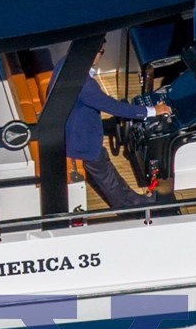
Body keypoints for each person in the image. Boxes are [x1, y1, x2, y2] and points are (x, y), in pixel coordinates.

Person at [61, 44, 171, 209]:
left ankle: (132, 201)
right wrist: (153, 111)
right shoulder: (85, 85)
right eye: (102, 51)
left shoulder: (65, 64)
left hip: (75, 130)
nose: (102, 55)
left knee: (104, 168)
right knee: (107, 176)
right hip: (82, 140)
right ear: (92, 53)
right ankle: (131, 207)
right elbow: (113, 107)